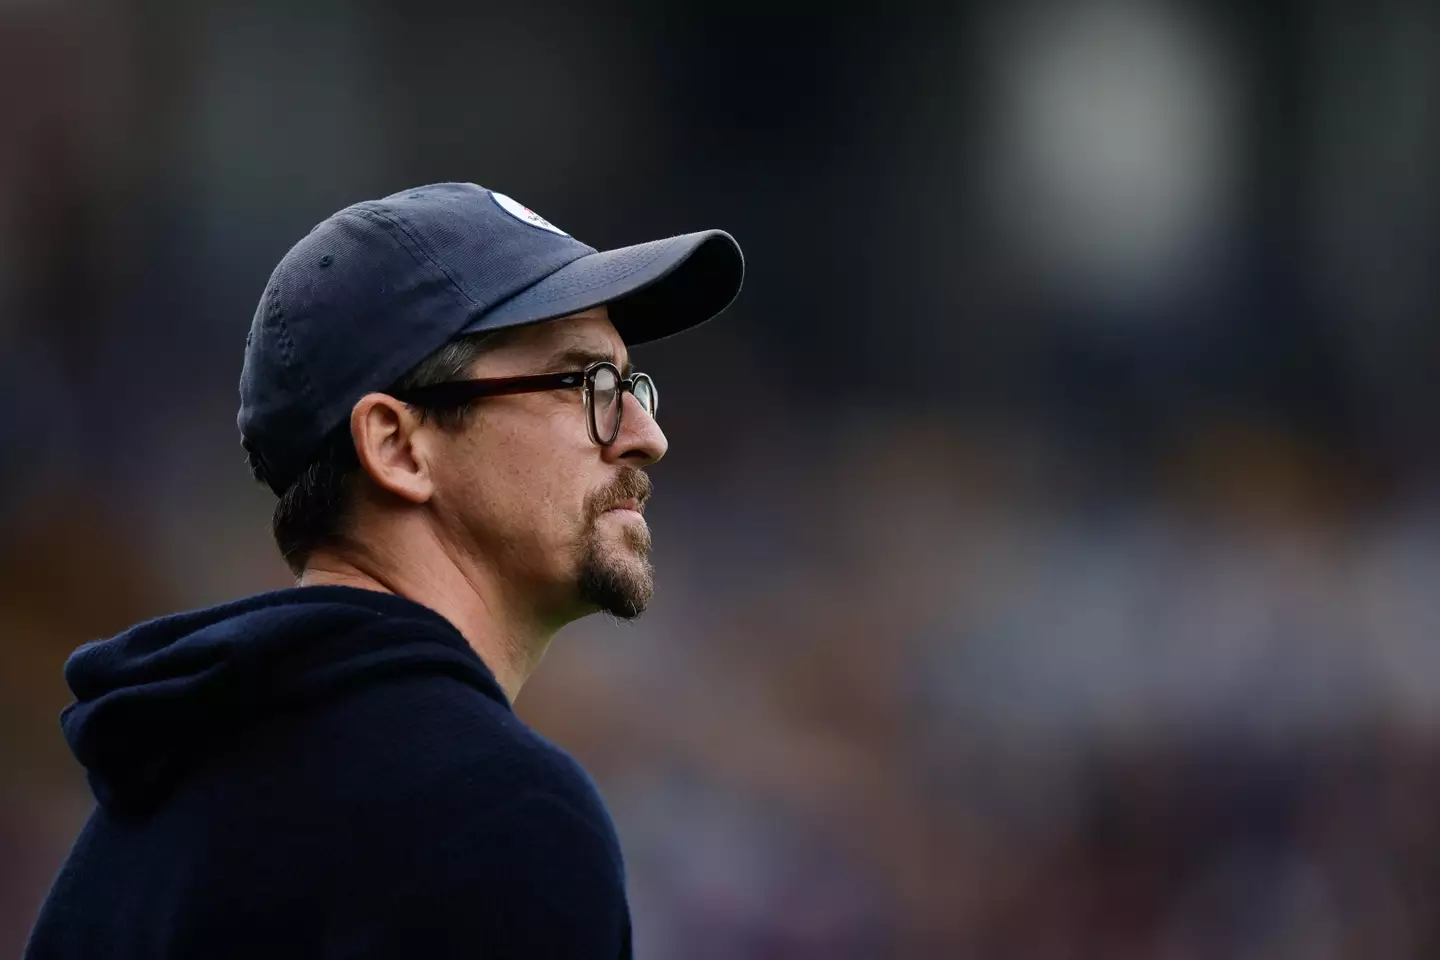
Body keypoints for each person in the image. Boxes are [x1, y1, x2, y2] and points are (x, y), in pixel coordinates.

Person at [24, 182, 744, 959]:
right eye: (587, 383)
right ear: (399, 447)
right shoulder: (498, 816)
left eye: (636, 385)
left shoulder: (137, 824)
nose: (647, 436)